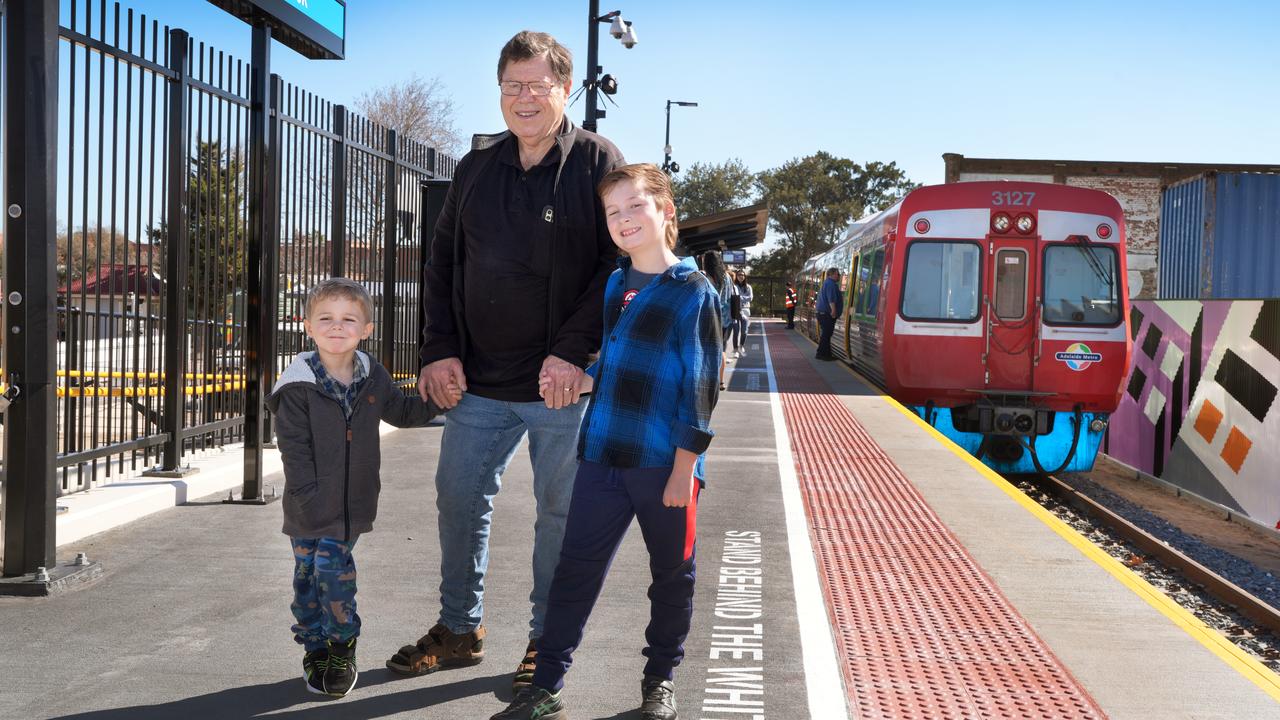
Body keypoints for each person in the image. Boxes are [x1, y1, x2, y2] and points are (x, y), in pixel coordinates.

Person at [387, 30, 625, 689]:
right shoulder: (476, 168)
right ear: (499, 92)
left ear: (565, 89)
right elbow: (443, 265)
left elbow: (616, 266)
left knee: (559, 515)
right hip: (479, 386)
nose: (524, 99)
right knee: (459, 499)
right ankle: (460, 630)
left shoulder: (598, 163)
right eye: (512, 86)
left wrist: (575, 353)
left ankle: (547, 645)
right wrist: (437, 350)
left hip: (563, 388)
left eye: (538, 86)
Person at [492, 164, 722, 720]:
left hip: (664, 465)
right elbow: (619, 366)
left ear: (666, 211)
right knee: (575, 572)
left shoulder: (694, 293)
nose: (623, 220)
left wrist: (681, 471)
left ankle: (659, 681)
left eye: (634, 206)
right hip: (601, 455)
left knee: (672, 576)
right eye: (613, 211)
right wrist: (580, 380)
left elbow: (701, 387)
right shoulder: (618, 283)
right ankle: (545, 686)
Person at [268, 277, 450, 698]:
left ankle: (341, 646)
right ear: (308, 326)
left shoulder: (373, 376)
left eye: (349, 319)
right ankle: (313, 645)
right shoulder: (296, 387)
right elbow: (294, 452)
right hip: (306, 505)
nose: (337, 326)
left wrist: (438, 400)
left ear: (366, 329)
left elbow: (403, 412)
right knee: (306, 578)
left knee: (335, 574)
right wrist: (310, 501)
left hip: (351, 505)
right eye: (325, 318)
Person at [700, 251, 733, 390]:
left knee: (705, 350)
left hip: (708, 317)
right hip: (724, 319)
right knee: (721, 349)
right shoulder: (727, 277)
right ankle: (720, 381)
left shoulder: (704, 276)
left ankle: (706, 380)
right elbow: (726, 299)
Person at [815, 267, 843, 360]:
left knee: (826, 334)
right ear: (833, 274)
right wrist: (834, 311)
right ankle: (823, 355)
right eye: (837, 274)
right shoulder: (831, 284)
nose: (839, 276)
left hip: (823, 313)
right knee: (826, 334)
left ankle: (823, 353)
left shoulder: (827, 283)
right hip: (827, 313)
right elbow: (831, 299)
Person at [732, 270, 753, 357]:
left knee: (744, 331)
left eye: (743, 275)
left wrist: (739, 298)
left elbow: (750, 298)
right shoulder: (733, 286)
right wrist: (741, 298)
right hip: (736, 310)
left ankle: (741, 346)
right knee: (736, 331)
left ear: (745, 277)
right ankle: (736, 350)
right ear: (736, 276)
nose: (741, 276)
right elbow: (732, 297)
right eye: (739, 275)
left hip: (745, 310)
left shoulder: (748, 287)